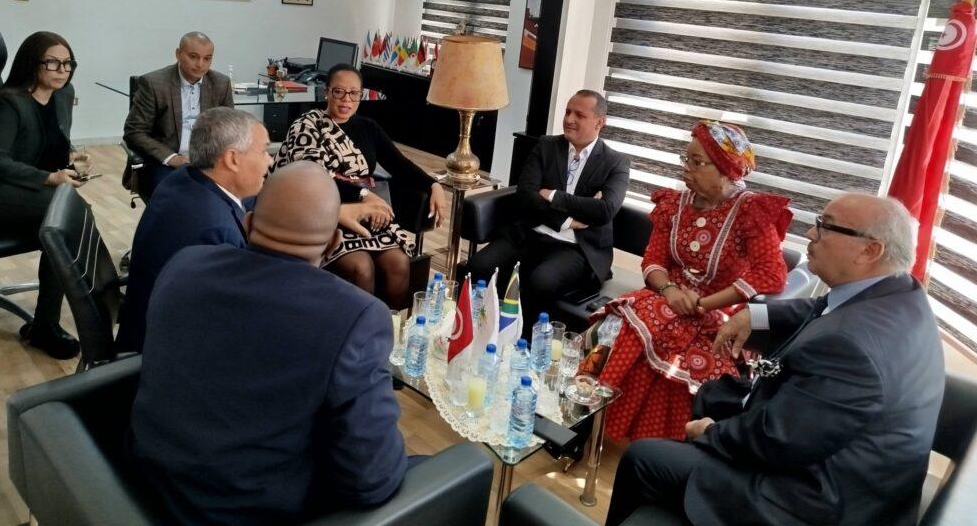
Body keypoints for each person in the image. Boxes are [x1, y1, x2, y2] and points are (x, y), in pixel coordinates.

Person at [605, 194, 945, 526]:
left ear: (870, 250)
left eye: (825, 226)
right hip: (827, 447)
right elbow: (820, 307)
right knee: (711, 393)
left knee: (644, 457)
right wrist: (754, 315)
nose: (810, 233)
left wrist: (711, 433)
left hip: (814, 498)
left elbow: (778, 440)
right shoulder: (899, 292)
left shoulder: (850, 347)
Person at [128, 162, 407, 525]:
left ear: (247, 224)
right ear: (334, 243)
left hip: (142, 486)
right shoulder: (356, 317)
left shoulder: (184, 264)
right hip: (249, 513)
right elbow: (373, 480)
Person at [595, 121, 790, 441]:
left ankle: (662, 447)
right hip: (667, 298)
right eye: (686, 159)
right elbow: (653, 260)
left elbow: (772, 273)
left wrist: (704, 304)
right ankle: (601, 428)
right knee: (624, 326)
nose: (686, 168)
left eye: (697, 162)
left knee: (693, 360)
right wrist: (669, 290)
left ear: (727, 170)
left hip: (720, 312)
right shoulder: (674, 204)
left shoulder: (750, 212)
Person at [269, 63, 445, 309]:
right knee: (361, 268)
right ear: (326, 92)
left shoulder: (367, 127)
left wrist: (433, 184)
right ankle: (359, 330)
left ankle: (390, 327)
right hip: (323, 213)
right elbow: (312, 179)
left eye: (354, 93)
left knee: (399, 264)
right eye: (339, 92)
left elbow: (399, 164)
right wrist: (363, 194)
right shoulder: (306, 126)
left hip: (367, 216)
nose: (346, 100)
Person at [465, 90, 630, 334]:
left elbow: (605, 210)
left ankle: (522, 343)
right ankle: (474, 333)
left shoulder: (615, 162)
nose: (569, 119)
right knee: (479, 265)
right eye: (567, 112)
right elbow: (526, 195)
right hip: (529, 232)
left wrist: (552, 195)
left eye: (579, 115)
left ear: (599, 122)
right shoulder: (547, 146)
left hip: (576, 247)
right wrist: (567, 219)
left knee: (540, 281)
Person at [115, 108, 272, 353]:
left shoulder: (184, 178)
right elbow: (231, 319)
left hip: (144, 322)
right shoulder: (215, 230)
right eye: (264, 151)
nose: (270, 160)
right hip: (166, 352)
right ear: (232, 159)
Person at [0, 31, 84, 359]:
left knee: (63, 218)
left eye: (67, 63)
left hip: (30, 190)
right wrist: (49, 177)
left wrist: (73, 160)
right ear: (32, 63)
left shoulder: (64, 95)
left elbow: (53, 143)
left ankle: (46, 324)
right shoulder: (10, 102)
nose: (62, 70)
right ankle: (49, 324)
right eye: (52, 62)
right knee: (65, 214)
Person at [122, 31, 233, 197]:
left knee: (243, 193)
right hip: (164, 163)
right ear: (178, 54)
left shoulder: (221, 84)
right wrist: (172, 158)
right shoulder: (154, 84)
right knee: (180, 197)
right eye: (193, 57)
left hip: (207, 161)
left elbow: (230, 130)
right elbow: (134, 132)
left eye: (207, 58)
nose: (200, 64)